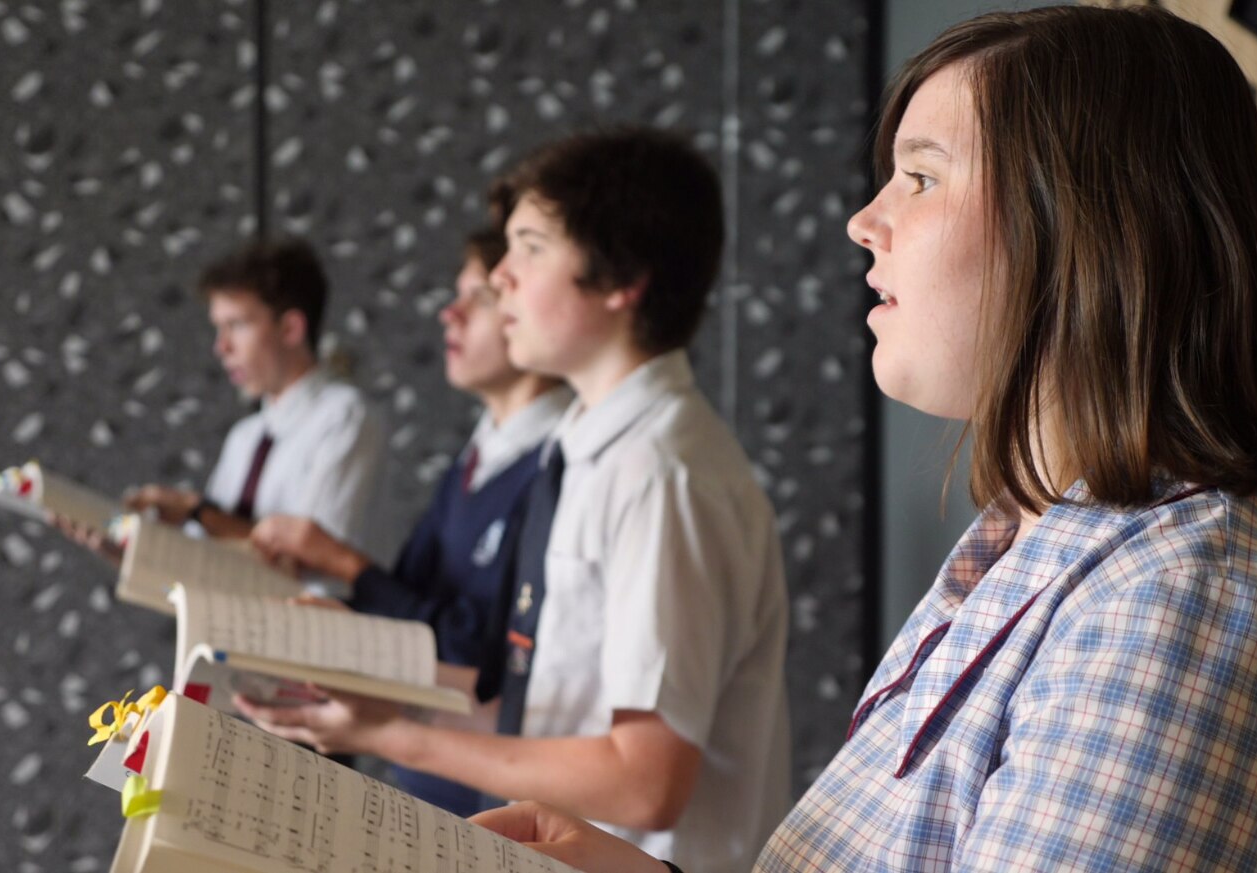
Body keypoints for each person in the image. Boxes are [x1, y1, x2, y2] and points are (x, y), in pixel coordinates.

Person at [469, 6, 1257, 871]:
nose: (863, 220)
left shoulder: (1189, 592)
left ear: (1088, 229)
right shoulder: (1045, 541)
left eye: (920, 176)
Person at [237, 129, 793, 873]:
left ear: (621, 279)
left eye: (529, 246)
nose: (500, 277)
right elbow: (535, 699)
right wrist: (364, 665)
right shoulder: (586, 446)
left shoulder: (662, 474)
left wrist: (387, 734)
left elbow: (645, 779)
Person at [245, 226, 573, 816]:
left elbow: (478, 653)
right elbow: (413, 601)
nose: (449, 314)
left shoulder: (556, 465)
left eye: (479, 297)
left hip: (493, 786)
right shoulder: (479, 454)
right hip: (431, 770)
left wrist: (343, 562)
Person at [123, 238, 387, 554]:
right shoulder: (244, 438)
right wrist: (131, 552)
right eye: (219, 328)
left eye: (236, 325)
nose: (221, 347)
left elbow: (313, 557)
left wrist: (198, 512)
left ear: (290, 329)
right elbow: (207, 557)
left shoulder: (345, 417)